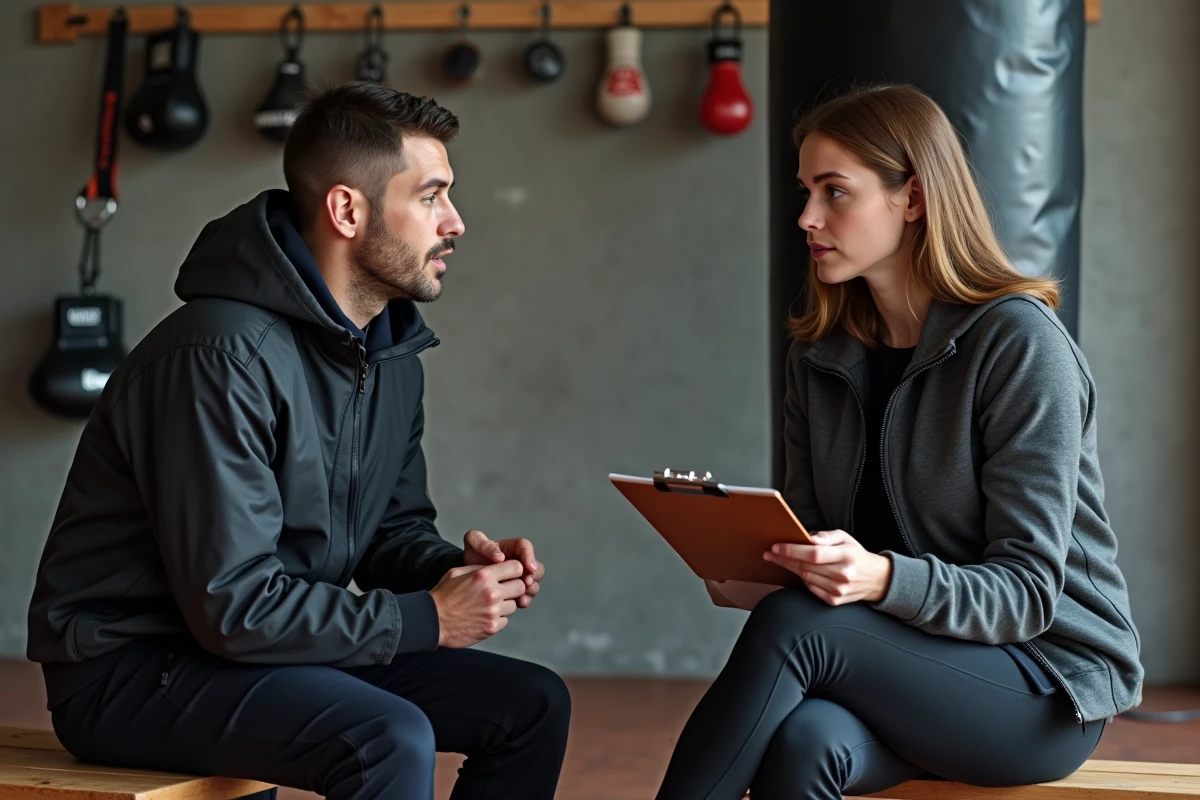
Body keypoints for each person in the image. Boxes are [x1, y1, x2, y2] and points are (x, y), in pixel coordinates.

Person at [26, 81, 570, 800]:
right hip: (131, 669)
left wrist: (456, 576)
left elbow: (388, 535)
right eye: (432, 196)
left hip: (266, 647)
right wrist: (428, 618)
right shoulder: (218, 357)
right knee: (386, 737)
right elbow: (232, 604)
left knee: (532, 705)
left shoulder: (388, 355)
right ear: (347, 209)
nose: (457, 222)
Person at [655, 84, 1144, 800]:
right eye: (805, 191)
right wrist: (753, 562)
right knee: (805, 739)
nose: (806, 218)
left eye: (834, 192)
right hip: (910, 662)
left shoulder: (1018, 345)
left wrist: (880, 577)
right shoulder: (820, 355)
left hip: (1043, 686)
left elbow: (1030, 593)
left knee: (798, 627)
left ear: (912, 199)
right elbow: (820, 537)